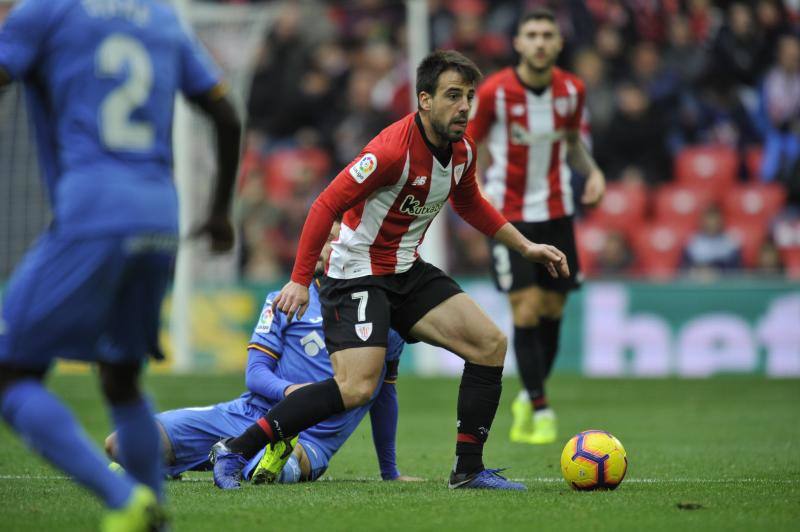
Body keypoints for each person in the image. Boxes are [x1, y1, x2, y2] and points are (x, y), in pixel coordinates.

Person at [211, 49, 569, 492]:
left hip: (405, 269)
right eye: (453, 96)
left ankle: (468, 470)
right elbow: (325, 205)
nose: (464, 107)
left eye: (469, 97)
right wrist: (300, 281)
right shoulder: (389, 151)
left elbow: (470, 203)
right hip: (356, 272)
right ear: (425, 100)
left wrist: (525, 246)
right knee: (356, 387)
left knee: (489, 345)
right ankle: (236, 448)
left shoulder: (462, 151)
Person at [0, 1, 240, 530]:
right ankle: (153, 515)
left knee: (10, 372)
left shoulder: (44, 11)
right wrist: (220, 211)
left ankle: (122, 498)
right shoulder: (160, 16)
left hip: (93, 210)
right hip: (160, 216)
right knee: (121, 377)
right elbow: (225, 113)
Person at [105, 226, 416, 486]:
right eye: (318, 239)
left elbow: (384, 392)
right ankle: (168, 460)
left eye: (333, 240)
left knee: (274, 464)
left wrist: (390, 471)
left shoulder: (384, 320)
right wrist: (292, 393)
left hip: (311, 439)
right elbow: (255, 374)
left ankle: (267, 457)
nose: (322, 248)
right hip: (247, 413)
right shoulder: (286, 299)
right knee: (118, 444)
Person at [467, 8, 606, 446]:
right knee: (525, 307)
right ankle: (542, 409)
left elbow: (572, 143)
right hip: (508, 215)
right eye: (532, 34)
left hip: (558, 210)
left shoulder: (572, 90)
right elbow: (471, 144)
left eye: (548, 34)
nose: (540, 42)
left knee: (552, 310)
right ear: (518, 43)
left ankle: (529, 395)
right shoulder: (495, 92)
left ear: (559, 43)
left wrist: (594, 173)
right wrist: (474, 191)